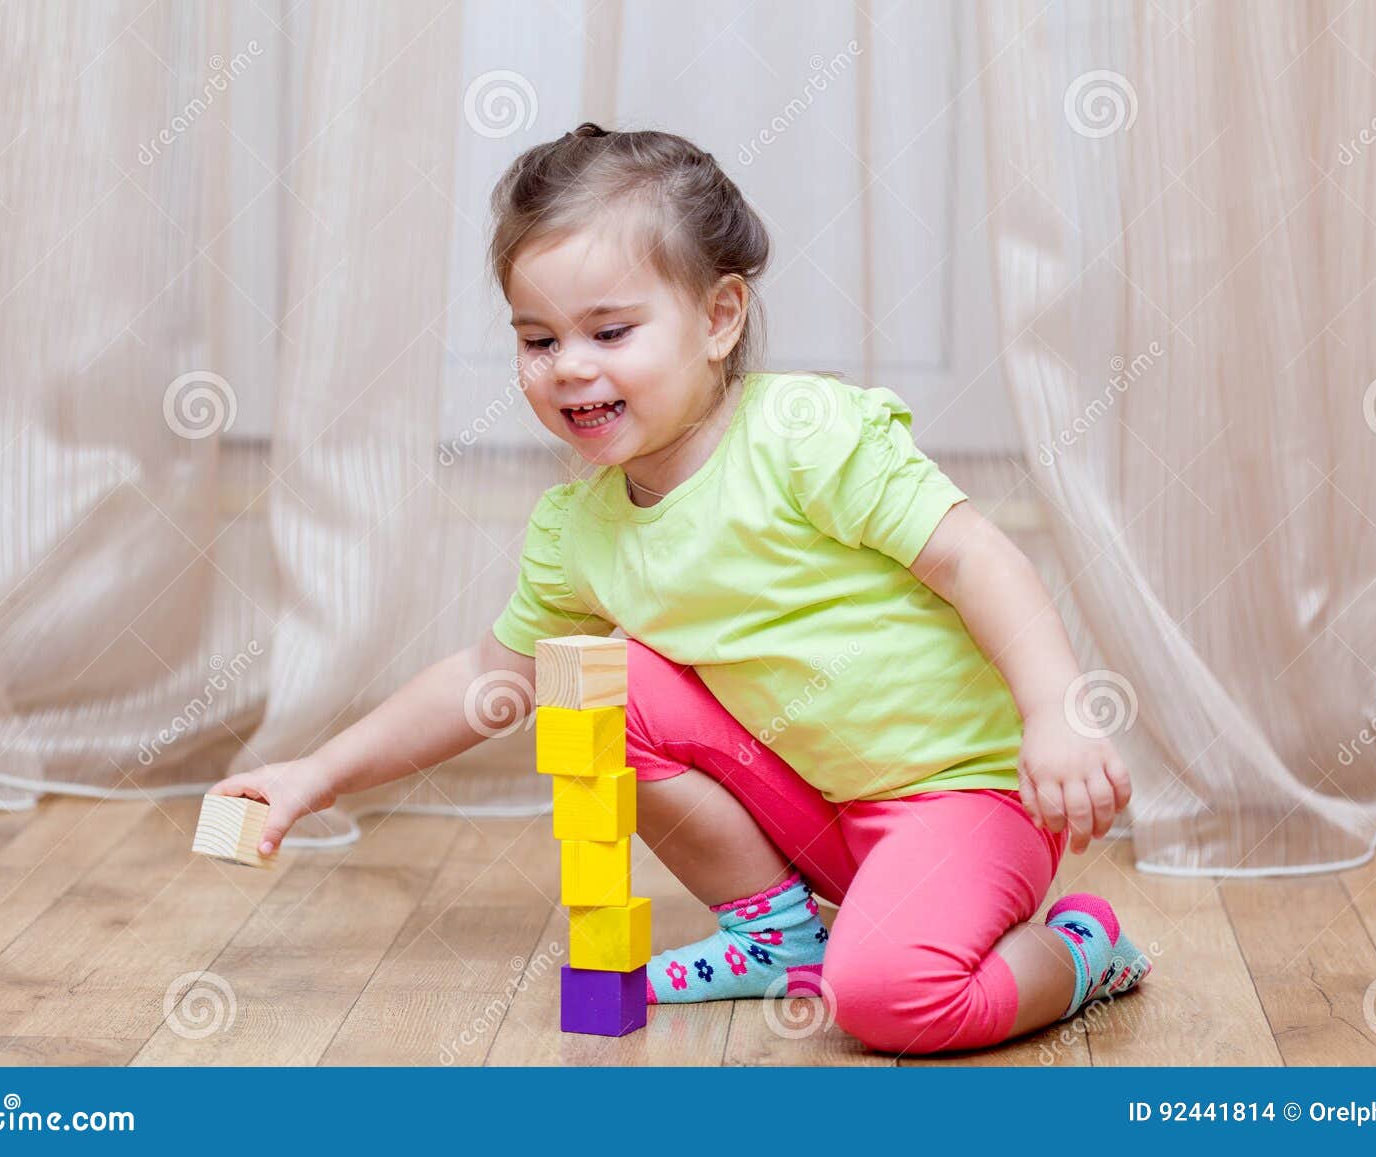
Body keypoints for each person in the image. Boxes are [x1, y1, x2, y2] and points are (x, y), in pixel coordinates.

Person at [210, 123, 1152, 1055]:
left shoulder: (804, 436)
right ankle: (777, 935)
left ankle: (1078, 947)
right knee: (586, 679)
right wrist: (315, 774)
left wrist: (1055, 713)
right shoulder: (578, 528)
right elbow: (489, 676)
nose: (569, 365)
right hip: (819, 808)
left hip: (963, 797)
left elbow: (975, 557)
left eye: (610, 330)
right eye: (537, 339)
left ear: (718, 318)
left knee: (886, 997)